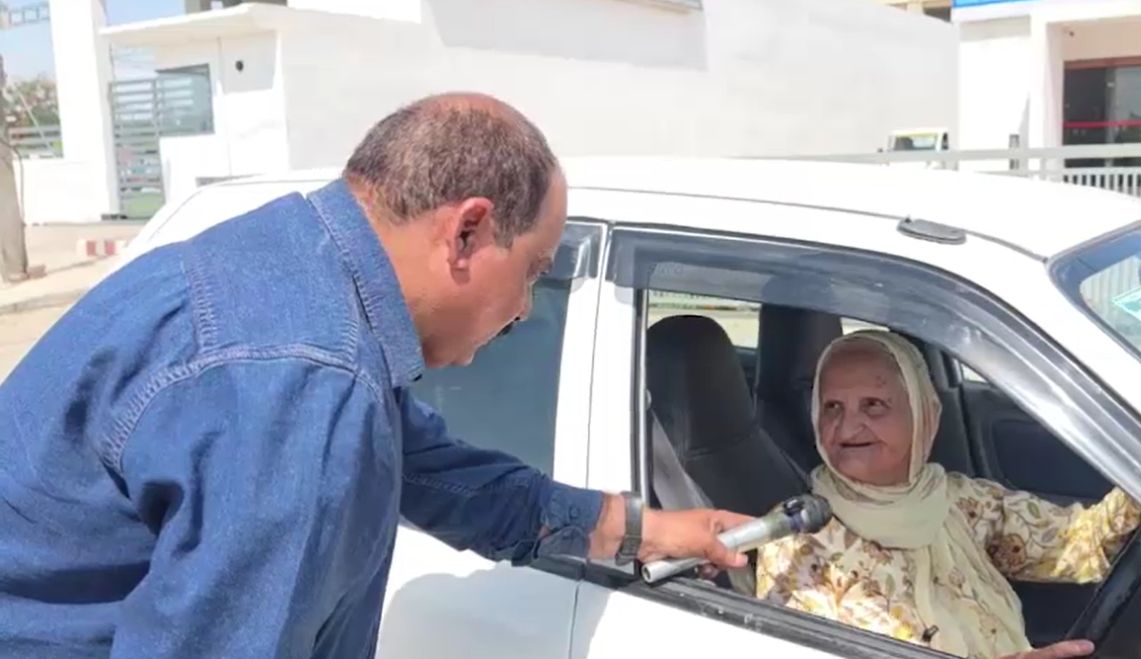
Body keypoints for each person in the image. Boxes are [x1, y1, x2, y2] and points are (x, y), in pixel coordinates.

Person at [0, 93, 749, 658]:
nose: (525, 309)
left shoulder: (294, 268)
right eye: (533, 273)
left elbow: (438, 474)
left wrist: (644, 528)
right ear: (467, 230)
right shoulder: (302, 382)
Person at [755, 330, 1141, 659]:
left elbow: (1081, 543)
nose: (848, 425)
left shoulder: (961, 502)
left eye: (873, 405)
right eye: (832, 407)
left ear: (926, 414)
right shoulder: (798, 537)